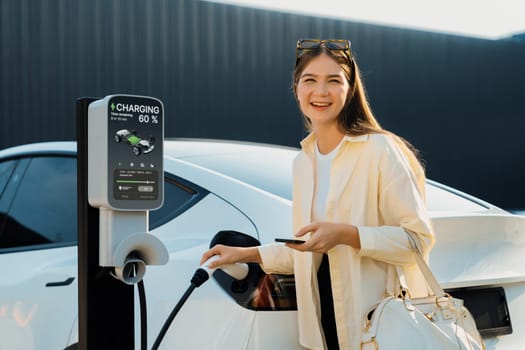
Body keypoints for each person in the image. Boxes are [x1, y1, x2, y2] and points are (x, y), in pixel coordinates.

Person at [200, 39, 435, 350]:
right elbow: (309, 249)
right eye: (310, 80)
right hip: (324, 331)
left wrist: (347, 235)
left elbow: (416, 241)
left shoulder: (380, 150)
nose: (320, 92)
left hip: (377, 330)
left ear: (350, 89)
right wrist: (245, 254)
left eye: (333, 80)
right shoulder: (304, 162)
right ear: (296, 88)